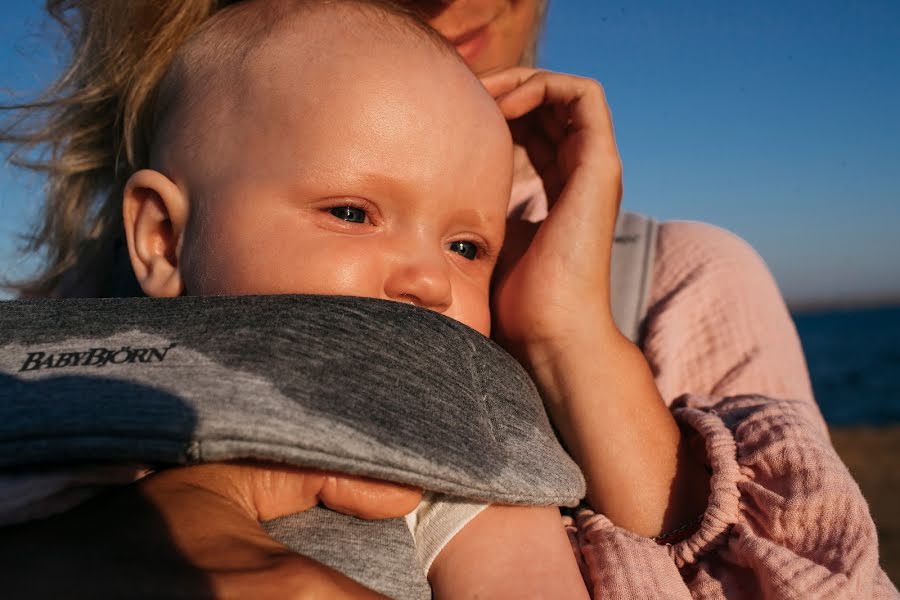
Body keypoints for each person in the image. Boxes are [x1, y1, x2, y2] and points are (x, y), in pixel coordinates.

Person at [0, 1, 895, 599]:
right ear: (159, 237)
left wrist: (568, 332)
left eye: (468, 246)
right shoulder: (72, 347)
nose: (430, 278)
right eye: (352, 213)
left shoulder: (457, 428)